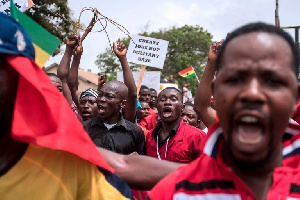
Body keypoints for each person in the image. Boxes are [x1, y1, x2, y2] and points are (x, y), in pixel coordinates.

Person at [149, 22, 300, 200]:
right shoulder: (174, 194)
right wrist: (212, 62)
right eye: (236, 80)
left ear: (294, 96)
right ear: (216, 92)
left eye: (272, 81)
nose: (252, 94)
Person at [0, 12, 133, 199]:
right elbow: (66, 79)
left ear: (22, 81)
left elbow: (126, 163)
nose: (97, 102)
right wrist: (70, 52)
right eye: (96, 97)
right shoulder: (85, 127)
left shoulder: (65, 162)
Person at [83, 80, 146, 155]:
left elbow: (138, 163)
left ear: (122, 104)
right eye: (100, 95)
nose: (102, 99)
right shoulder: (83, 128)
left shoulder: (135, 132)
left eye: (109, 96)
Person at [146, 87, 206, 163]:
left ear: (182, 108)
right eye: (163, 100)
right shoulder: (149, 136)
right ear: (157, 107)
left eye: (173, 99)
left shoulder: (197, 136)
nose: (167, 102)